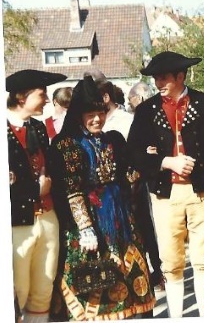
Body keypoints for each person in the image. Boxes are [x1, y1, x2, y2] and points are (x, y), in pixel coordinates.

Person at [47, 76, 155, 320]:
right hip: (85, 224)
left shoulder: (113, 139)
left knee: (132, 272)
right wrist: (85, 229)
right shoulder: (67, 145)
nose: (97, 119)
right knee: (92, 281)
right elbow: (71, 189)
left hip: (120, 218)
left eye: (101, 113)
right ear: (78, 115)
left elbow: (126, 173)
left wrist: (143, 163)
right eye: (90, 114)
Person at [127, 51, 204, 318]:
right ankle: (177, 316)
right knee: (171, 262)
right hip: (165, 194)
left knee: (203, 259)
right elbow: (133, 152)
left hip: (201, 191)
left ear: (181, 76)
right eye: (156, 78)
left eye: (163, 77)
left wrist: (199, 163)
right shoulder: (147, 110)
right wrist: (166, 162)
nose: (158, 83)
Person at [7, 69, 67, 323]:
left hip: (48, 218)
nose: (46, 100)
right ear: (22, 97)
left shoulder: (40, 128)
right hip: (17, 223)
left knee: (43, 291)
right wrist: (34, 190)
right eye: (42, 94)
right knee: (16, 292)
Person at [126, 81, 164, 296]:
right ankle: (157, 271)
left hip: (158, 180)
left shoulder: (150, 113)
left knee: (155, 229)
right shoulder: (141, 116)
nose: (130, 107)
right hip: (141, 183)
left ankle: (161, 271)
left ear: (140, 98)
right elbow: (133, 148)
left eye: (132, 103)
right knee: (148, 229)